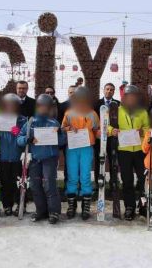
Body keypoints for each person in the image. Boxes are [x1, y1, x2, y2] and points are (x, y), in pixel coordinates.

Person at [17, 94, 66, 224]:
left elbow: (61, 142)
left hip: (49, 158)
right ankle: (41, 210)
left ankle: (54, 211)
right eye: (41, 106)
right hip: (34, 159)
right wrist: (27, 139)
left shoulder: (54, 122)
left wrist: (60, 133)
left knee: (49, 185)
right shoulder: (31, 122)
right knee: (35, 185)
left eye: (46, 106)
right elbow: (19, 139)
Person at [108, 85, 150, 220]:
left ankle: (143, 206)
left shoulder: (142, 112)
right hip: (124, 151)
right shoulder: (116, 111)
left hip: (140, 150)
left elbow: (148, 128)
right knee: (127, 180)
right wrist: (111, 131)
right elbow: (106, 125)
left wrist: (143, 131)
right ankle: (129, 207)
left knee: (143, 180)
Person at [61, 86, 99, 220]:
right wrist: (68, 128)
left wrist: (103, 132)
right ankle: (71, 205)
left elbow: (97, 130)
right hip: (72, 147)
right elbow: (62, 128)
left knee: (85, 176)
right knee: (72, 177)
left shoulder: (92, 114)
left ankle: (85, 206)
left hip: (86, 148)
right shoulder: (69, 112)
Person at [0, 93, 27, 215]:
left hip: (17, 157)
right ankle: (7, 205)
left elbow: (27, 140)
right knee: (4, 182)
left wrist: (20, 133)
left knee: (18, 182)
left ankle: (20, 204)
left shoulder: (23, 120)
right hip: (2, 156)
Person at [93, 82, 120, 185]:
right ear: (103, 90)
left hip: (113, 138)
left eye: (111, 89)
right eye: (107, 89)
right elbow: (94, 121)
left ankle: (113, 183)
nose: (109, 91)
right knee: (99, 161)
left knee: (113, 161)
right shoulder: (96, 104)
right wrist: (96, 130)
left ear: (114, 91)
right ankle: (98, 183)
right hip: (99, 138)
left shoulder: (118, 104)